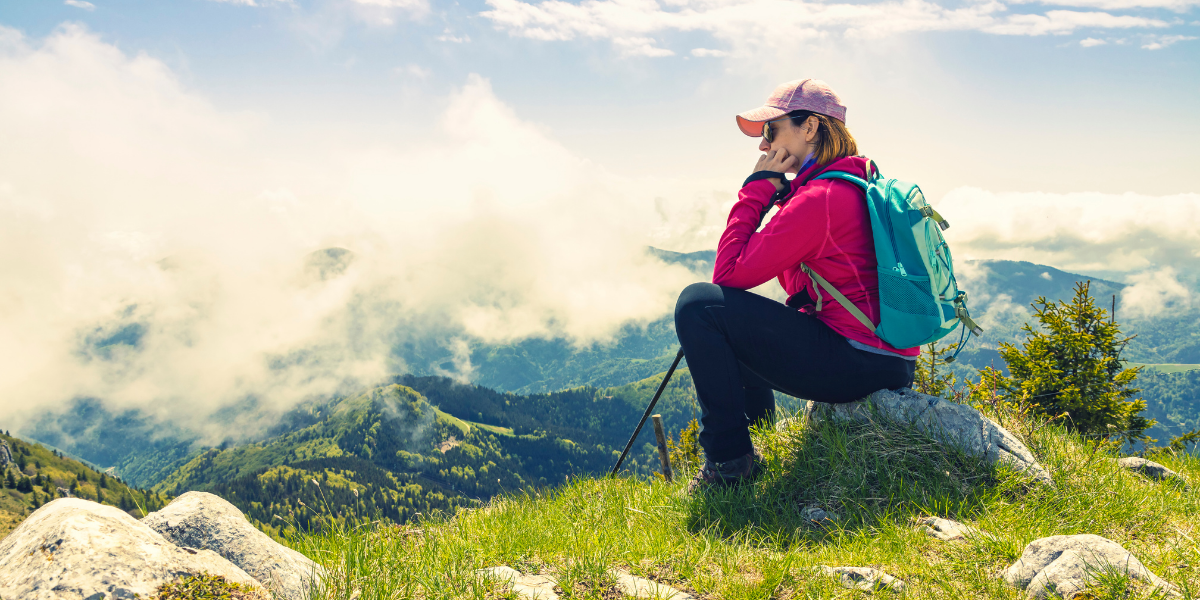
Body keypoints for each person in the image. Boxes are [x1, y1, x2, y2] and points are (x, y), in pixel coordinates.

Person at [675, 78, 919, 492]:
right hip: (887, 359)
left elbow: (728, 275)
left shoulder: (821, 198)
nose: (763, 145)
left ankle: (730, 463)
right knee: (727, 319)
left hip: (857, 362)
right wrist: (782, 199)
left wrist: (756, 191)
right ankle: (757, 442)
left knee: (699, 305)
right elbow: (797, 285)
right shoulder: (853, 183)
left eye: (772, 129)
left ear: (810, 128)